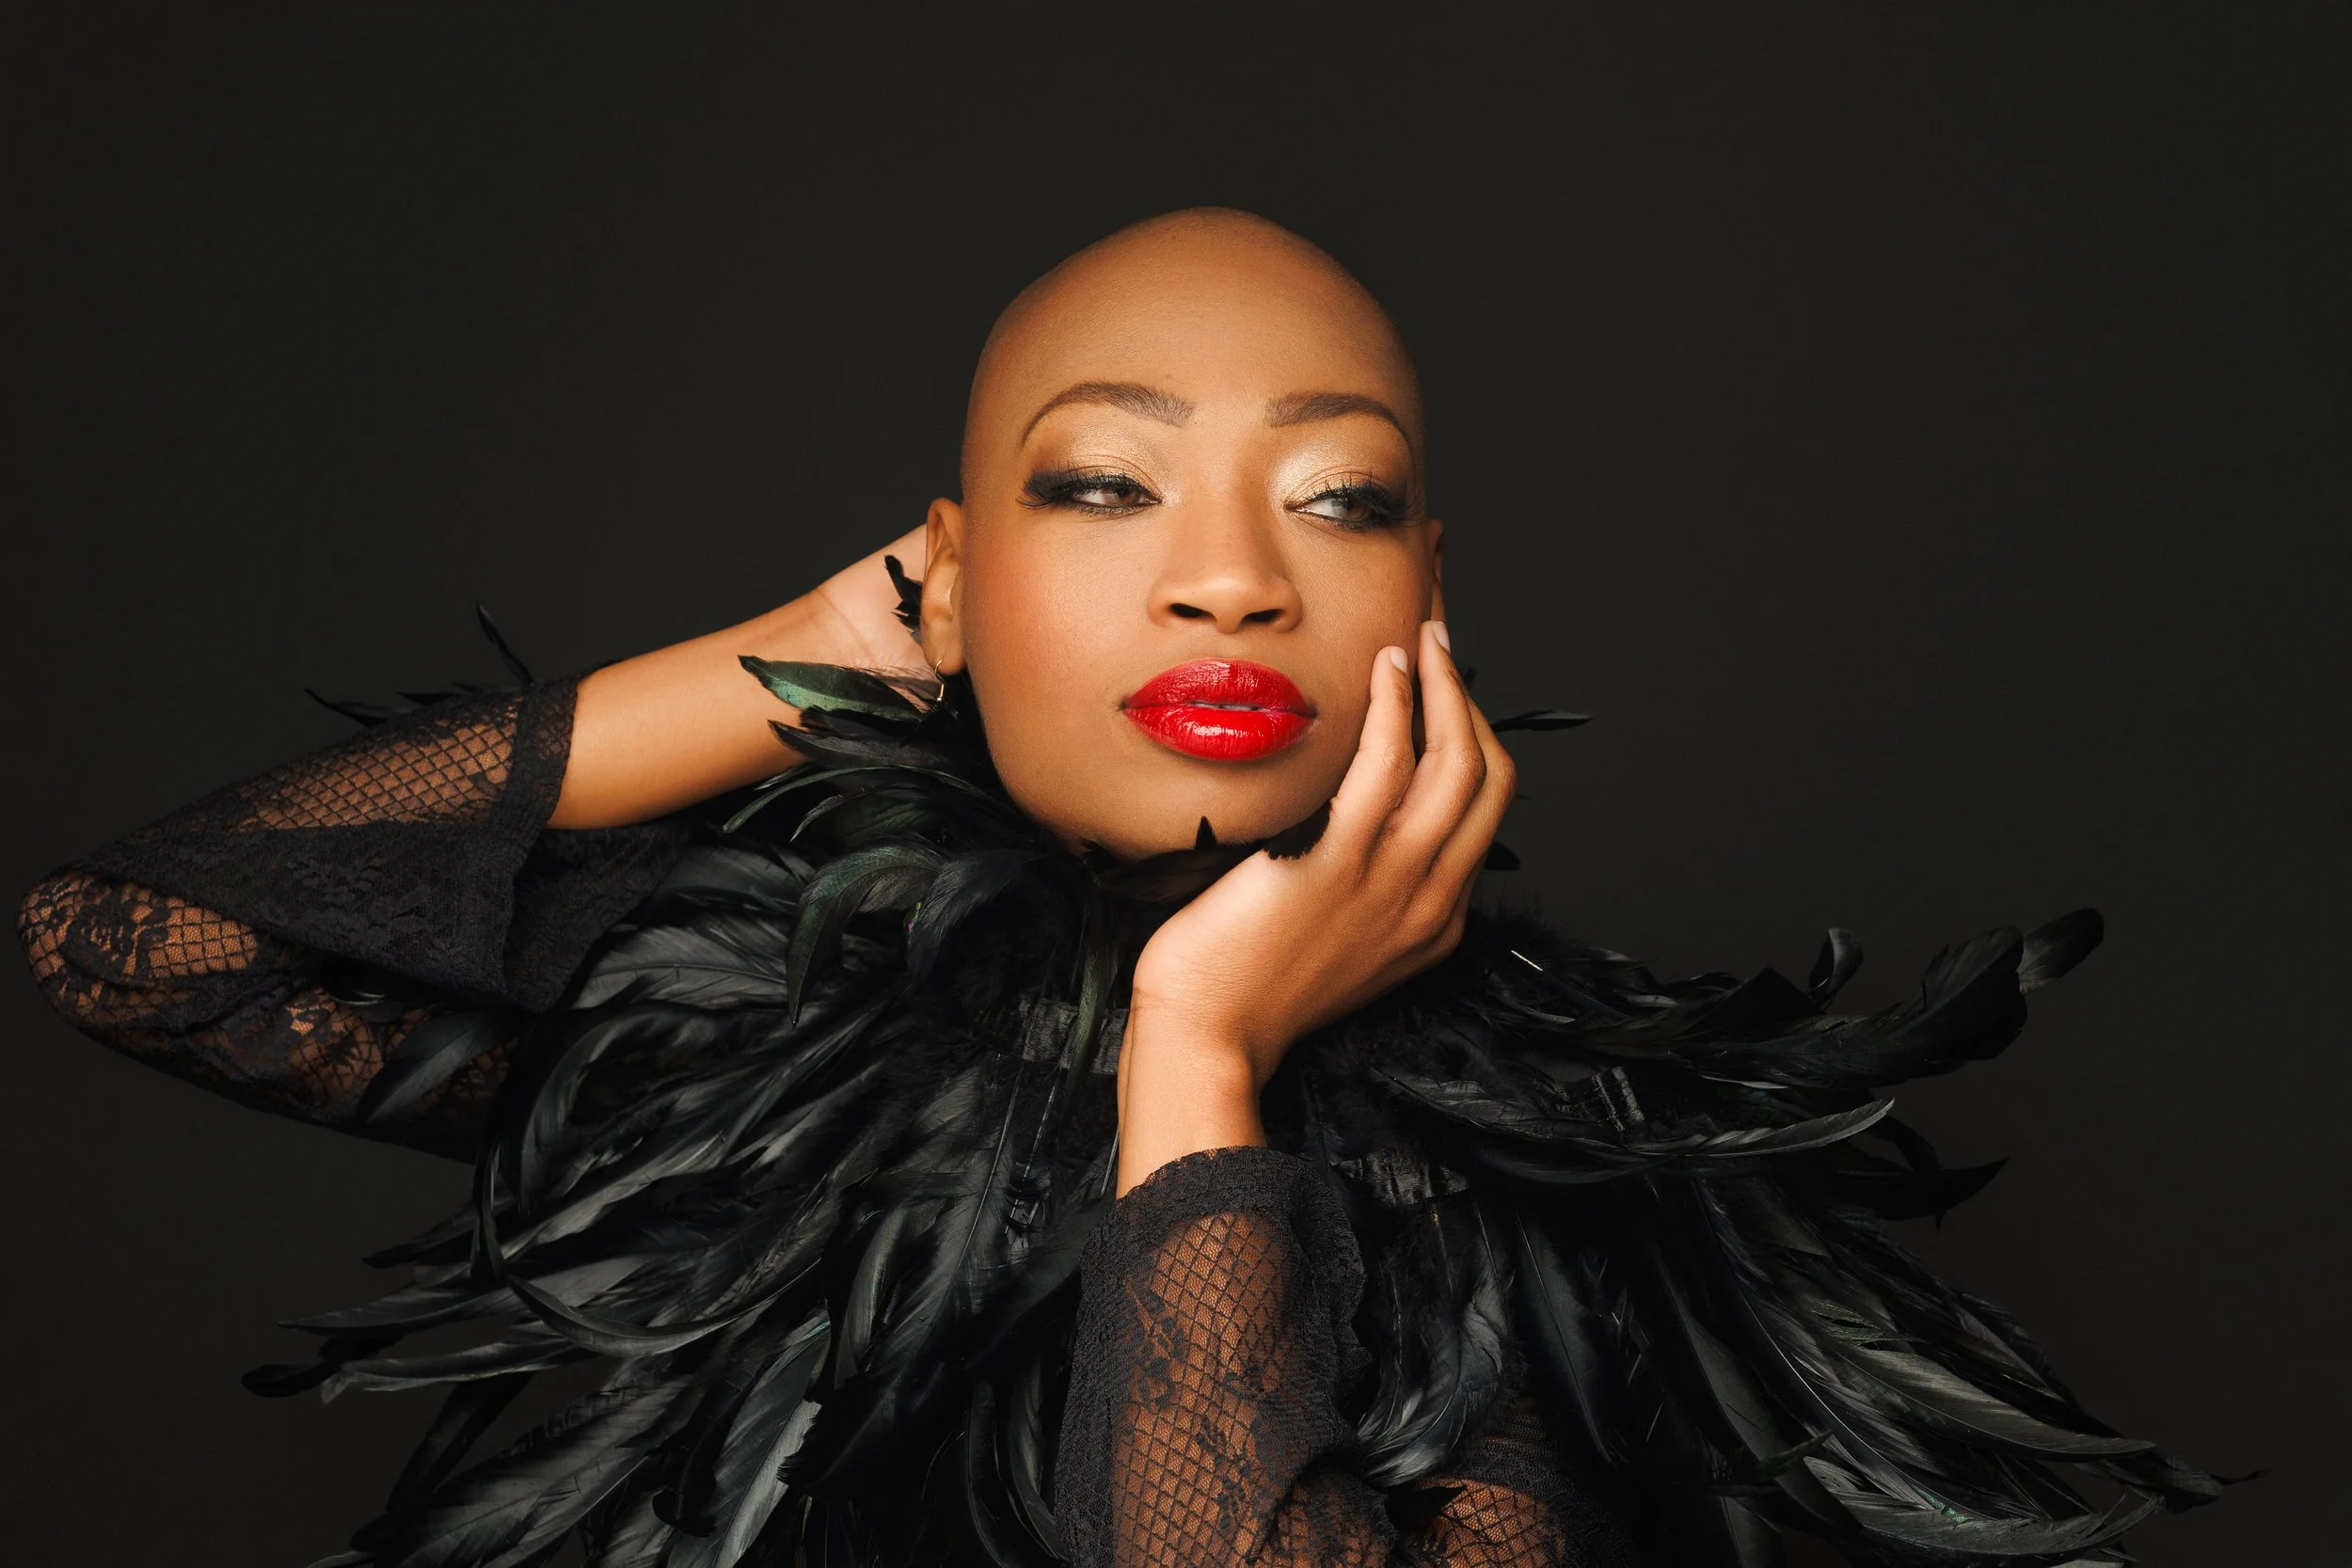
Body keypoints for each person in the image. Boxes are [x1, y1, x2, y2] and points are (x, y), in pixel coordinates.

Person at [16, 209, 2217, 1567]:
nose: (1234, 577)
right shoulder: (759, 1016)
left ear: (1425, 592)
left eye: (1336, 497)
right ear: (944, 571)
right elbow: (133, 938)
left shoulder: (1546, 1175)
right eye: (1100, 480)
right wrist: (788, 664)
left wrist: (1199, 1058)